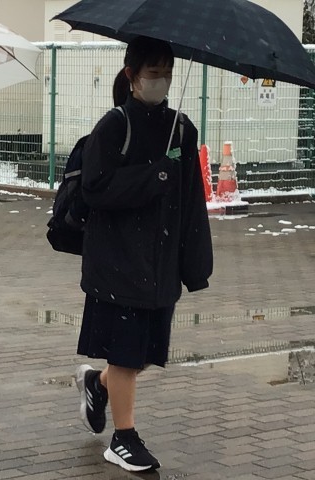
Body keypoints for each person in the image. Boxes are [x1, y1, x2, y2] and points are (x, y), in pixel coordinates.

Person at [74, 36, 213, 472]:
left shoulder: (182, 129)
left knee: (146, 353)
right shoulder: (114, 125)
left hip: (161, 261)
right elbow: (95, 188)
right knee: (126, 354)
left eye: (167, 73)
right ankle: (124, 438)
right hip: (118, 261)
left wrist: (195, 264)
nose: (161, 81)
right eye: (153, 73)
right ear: (131, 75)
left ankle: (98, 384)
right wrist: (154, 177)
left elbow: (191, 200)